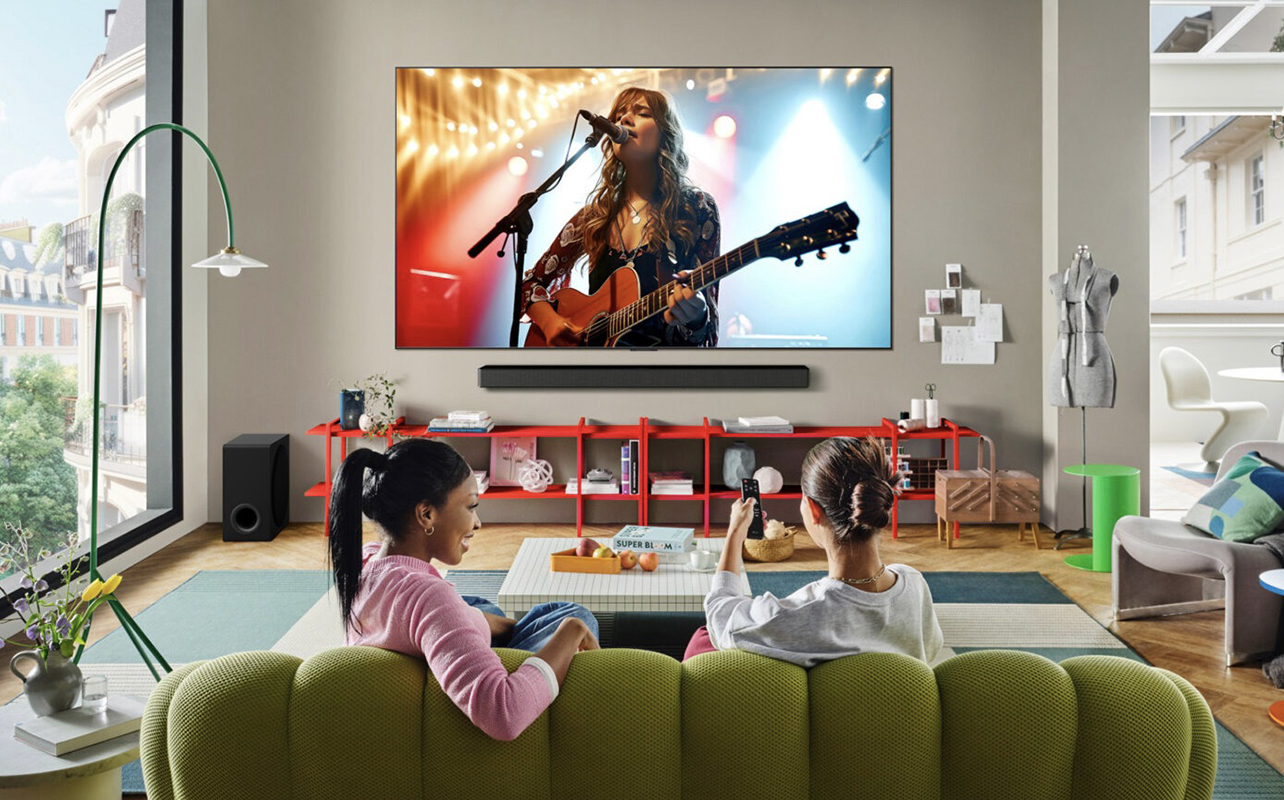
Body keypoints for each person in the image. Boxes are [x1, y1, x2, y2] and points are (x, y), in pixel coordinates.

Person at [328, 438, 599, 741]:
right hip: (460, 719)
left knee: (482, 606)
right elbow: (503, 714)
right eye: (471, 506)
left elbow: (440, 611)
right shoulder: (427, 596)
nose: (478, 523)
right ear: (426, 515)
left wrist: (502, 624)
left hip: (427, 645)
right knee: (573, 615)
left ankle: (503, 625)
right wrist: (571, 631)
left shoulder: (366, 562)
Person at [683, 436, 943, 667]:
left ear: (813, 509)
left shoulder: (801, 614)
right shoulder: (915, 586)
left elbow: (719, 616)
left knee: (702, 640)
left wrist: (734, 534)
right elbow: (930, 649)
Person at [521, 86, 720, 347]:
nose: (624, 119)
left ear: (665, 134)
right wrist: (550, 323)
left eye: (642, 113)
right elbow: (529, 284)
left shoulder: (695, 208)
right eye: (619, 115)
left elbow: (707, 332)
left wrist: (697, 315)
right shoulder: (594, 217)